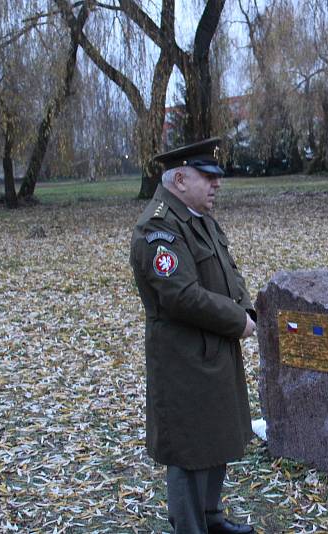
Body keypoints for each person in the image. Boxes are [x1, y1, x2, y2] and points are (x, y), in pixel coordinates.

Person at [129, 139, 257, 534]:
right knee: (188, 450)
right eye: (208, 177)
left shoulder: (197, 217)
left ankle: (210, 517)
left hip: (213, 350)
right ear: (180, 179)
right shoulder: (159, 228)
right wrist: (238, 320)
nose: (216, 185)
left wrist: (247, 308)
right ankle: (190, 526)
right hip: (182, 358)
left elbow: (227, 269)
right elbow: (181, 296)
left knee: (215, 437)